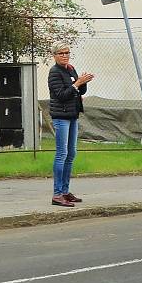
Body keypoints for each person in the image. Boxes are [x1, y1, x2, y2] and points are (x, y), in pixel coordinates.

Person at [48, 42, 93, 207]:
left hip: (73, 115)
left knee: (71, 153)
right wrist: (77, 83)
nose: (65, 55)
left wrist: (83, 82)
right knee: (62, 154)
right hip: (61, 116)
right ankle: (57, 194)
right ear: (54, 55)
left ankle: (65, 192)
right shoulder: (54, 72)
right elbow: (61, 95)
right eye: (61, 53)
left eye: (67, 53)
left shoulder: (70, 69)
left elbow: (80, 91)